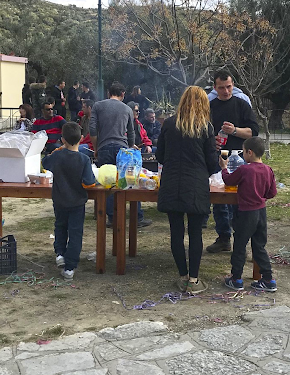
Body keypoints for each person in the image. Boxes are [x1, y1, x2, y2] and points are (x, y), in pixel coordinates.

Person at [157, 86, 220, 294]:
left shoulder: (168, 124)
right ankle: (194, 279)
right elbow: (212, 163)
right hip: (196, 184)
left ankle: (182, 276)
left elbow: (160, 156)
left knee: (176, 232)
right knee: (195, 232)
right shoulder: (206, 127)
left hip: (172, 183)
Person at [207, 69, 259, 253]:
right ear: (215, 88)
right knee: (219, 198)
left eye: (228, 87)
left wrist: (235, 131)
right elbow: (202, 132)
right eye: (221, 88)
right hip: (218, 155)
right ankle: (223, 237)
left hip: (239, 156)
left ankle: (241, 239)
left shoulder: (242, 104)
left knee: (240, 198)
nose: (226, 91)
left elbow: (254, 132)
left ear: (233, 85)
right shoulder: (210, 106)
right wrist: (210, 139)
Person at [219, 136, 277, 292]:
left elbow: (229, 181)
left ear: (249, 152)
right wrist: (260, 196)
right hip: (261, 212)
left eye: (243, 152)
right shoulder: (268, 169)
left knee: (240, 245)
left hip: (246, 213)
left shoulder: (244, 169)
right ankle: (268, 279)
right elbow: (272, 192)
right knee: (259, 246)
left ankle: (236, 278)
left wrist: (224, 168)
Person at [90, 82, 152, 227]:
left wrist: (96, 147)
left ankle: (112, 218)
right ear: (123, 94)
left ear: (108, 93)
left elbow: (92, 130)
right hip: (123, 150)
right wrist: (131, 146)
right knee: (130, 181)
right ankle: (137, 217)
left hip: (104, 147)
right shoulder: (127, 109)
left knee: (109, 183)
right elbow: (131, 133)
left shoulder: (98, 106)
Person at [41, 122, 96, 280]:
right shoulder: (84, 159)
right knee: (75, 233)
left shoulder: (57, 156)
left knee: (60, 226)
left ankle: (60, 253)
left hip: (59, 200)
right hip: (77, 202)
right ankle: (70, 267)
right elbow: (89, 182)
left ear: (62, 139)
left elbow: (45, 162)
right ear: (81, 139)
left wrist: (58, 149)